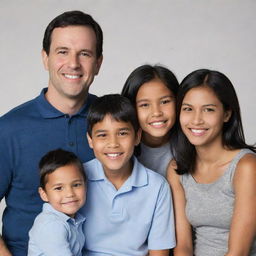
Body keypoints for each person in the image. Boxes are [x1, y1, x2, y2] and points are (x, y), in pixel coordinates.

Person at [0, 10, 103, 256]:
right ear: (45, 58)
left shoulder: (112, 124)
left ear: (98, 63)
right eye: (62, 52)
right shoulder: (9, 129)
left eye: (85, 54)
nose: (74, 63)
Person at [167, 69, 256, 256]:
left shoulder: (246, 167)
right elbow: (183, 246)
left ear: (226, 114)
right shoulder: (177, 169)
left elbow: (238, 252)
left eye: (208, 109)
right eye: (188, 109)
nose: (196, 120)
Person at [81, 94, 176, 256]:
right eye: (102, 135)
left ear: (137, 136)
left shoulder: (157, 187)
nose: (113, 144)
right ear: (90, 140)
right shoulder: (78, 179)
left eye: (122, 133)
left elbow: (159, 252)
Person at [121, 64, 179, 177]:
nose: (156, 112)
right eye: (145, 105)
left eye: (165, 102)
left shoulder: (191, 145)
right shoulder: (122, 148)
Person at [28, 149, 87, 256]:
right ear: (44, 194)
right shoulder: (51, 224)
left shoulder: (75, 220)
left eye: (76, 185)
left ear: (85, 185)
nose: (70, 194)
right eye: (59, 188)